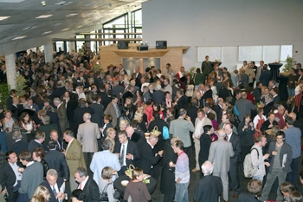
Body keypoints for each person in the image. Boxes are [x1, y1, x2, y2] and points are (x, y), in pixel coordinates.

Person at [259, 131, 293, 201]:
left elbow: (289, 159)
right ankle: (263, 198)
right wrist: (271, 153)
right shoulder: (272, 144)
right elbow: (268, 154)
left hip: (282, 169)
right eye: (277, 138)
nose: (278, 140)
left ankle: (279, 199)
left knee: (281, 186)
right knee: (268, 184)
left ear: (283, 138)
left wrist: (285, 167)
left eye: (280, 138)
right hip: (273, 168)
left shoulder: (287, 147)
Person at [208, 129, 234, 202]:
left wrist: (209, 166)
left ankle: (217, 199)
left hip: (215, 167)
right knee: (225, 183)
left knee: (216, 183)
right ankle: (226, 199)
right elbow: (232, 154)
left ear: (217, 135)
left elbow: (210, 157)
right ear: (225, 135)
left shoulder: (213, 144)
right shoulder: (229, 144)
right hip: (225, 166)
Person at [224, 123, 241, 198]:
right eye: (224, 129)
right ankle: (229, 187)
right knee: (227, 175)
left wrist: (231, 155)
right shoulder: (224, 137)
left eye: (226, 130)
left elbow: (238, 150)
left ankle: (237, 191)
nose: (225, 131)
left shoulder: (236, 138)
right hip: (225, 160)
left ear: (231, 130)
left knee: (234, 176)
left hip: (233, 160)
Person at [284, 116, 301, 187]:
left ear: (287, 123)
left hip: (289, 154)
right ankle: (294, 183)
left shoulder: (285, 132)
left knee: (288, 170)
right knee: (295, 169)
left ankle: (289, 184)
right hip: (297, 153)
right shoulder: (298, 130)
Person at [160, 137, 179, 202]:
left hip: (167, 172)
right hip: (170, 174)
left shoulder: (168, 148)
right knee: (169, 192)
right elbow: (170, 165)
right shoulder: (171, 153)